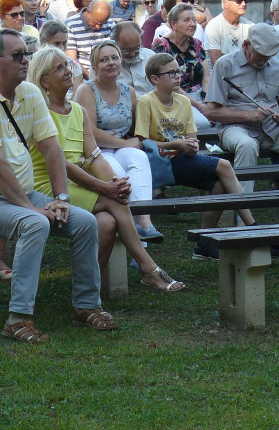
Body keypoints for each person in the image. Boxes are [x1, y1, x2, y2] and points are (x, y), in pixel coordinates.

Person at [0, 28, 116, 342]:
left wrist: (62, 197)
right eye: (18, 56)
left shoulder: (28, 93)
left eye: (25, 54)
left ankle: (87, 305)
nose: (26, 60)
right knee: (35, 223)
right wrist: (31, 207)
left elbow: (51, 148)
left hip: (20, 194)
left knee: (85, 222)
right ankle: (18, 318)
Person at [27, 46, 185, 293]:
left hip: (76, 181)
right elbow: (59, 163)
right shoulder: (38, 112)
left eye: (67, 65)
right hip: (46, 186)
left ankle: (89, 287)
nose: (68, 70)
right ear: (44, 80)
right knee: (116, 203)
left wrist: (115, 182)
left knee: (107, 223)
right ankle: (148, 268)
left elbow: (92, 156)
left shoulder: (76, 111)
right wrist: (104, 187)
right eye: (59, 68)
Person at [135, 53, 257, 259]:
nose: (178, 76)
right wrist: (176, 144)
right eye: (171, 72)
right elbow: (143, 141)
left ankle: (204, 244)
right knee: (225, 166)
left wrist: (190, 145)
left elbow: (191, 137)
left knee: (219, 185)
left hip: (183, 158)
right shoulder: (147, 102)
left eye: (179, 71)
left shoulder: (183, 101)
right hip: (162, 161)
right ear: (155, 79)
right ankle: (253, 227)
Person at [205, 24, 279, 187]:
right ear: (246, 45)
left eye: (268, 57)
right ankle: (244, 208)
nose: (264, 61)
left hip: (273, 128)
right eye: (260, 55)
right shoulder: (225, 64)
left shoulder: (277, 66)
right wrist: (249, 115)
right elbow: (211, 112)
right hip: (236, 128)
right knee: (247, 145)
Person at [75, 41, 159, 237]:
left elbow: (133, 127)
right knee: (120, 174)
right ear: (94, 67)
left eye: (114, 58)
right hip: (95, 151)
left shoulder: (127, 91)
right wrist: (126, 143)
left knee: (139, 159)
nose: (111, 63)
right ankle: (134, 231)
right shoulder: (86, 90)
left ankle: (145, 222)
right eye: (104, 60)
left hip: (122, 146)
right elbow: (92, 132)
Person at [151, 3, 213, 129]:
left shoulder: (197, 44)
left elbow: (206, 76)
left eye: (194, 20)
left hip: (200, 95)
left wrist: (206, 101)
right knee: (203, 124)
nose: (192, 24)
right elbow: (169, 84)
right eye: (186, 20)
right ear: (174, 25)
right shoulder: (161, 47)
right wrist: (199, 106)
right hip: (175, 98)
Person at [205, 0, 252, 66]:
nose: (244, 4)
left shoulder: (250, 27)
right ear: (225, 3)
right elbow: (217, 64)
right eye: (239, 1)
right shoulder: (214, 26)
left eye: (245, 0)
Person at [65, 0, 113, 80]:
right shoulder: (70, 25)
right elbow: (72, 59)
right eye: (95, 22)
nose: (98, 27)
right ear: (88, 11)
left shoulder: (110, 24)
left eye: (102, 23)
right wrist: (92, 79)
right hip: (81, 75)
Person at [38, 20, 84, 96]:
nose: (62, 48)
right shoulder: (36, 64)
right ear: (43, 43)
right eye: (57, 43)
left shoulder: (73, 65)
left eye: (64, 43)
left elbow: (76, 96)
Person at [111, 20, 155, 96]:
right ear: (115, 44)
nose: (132, 54)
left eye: (137, 48)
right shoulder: (107, 65)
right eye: (126, 50)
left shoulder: (151, 57)